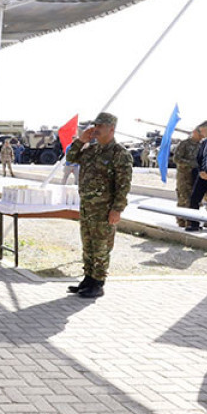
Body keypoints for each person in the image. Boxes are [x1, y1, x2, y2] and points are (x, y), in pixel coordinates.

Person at [65, 112, 132, 299]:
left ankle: (98, 283)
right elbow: (70, 157)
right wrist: (81, 141)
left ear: (111, 129)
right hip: (87, 207)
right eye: (95, 125)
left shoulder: (120, 153)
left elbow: (123, 185)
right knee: (88, 244)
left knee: (101, 247)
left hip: (104, 209)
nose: (96, 129)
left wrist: (117, 209)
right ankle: (88, 279)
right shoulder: (90, 150)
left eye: (100, 126)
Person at [172, 128, 200, 227]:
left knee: (194, 198)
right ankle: (181, 220)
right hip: (184, 175)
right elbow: (176, 159)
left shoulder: (201, 145)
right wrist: (191, 164)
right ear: (195, 133)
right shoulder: (184, 144)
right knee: (183, 197)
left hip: (195, 175)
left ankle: (190, 221)